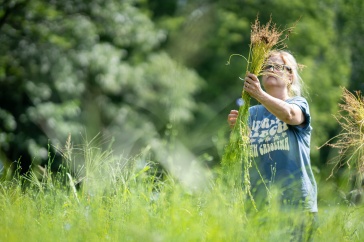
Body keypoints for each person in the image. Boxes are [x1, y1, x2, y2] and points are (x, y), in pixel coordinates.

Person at [227, 50, 318, 240]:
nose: (271, 70)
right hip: (259, 205)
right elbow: (242, 155)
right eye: (267, 66)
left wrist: (258, 94)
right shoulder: (251, 113)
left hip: (295, 205)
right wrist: (236, 131)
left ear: (290, 76)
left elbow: (289, 116)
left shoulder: (298, 104)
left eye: (277, 67)